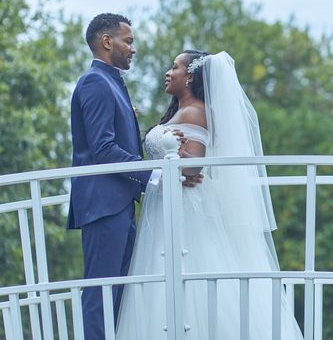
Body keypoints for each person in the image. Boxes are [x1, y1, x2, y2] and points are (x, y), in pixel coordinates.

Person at [116, 50, 304, 339]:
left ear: (189, 76)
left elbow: (193, 167)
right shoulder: (180, 112)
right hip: (165, 204)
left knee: (188, 273)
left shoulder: (196, 111)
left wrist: (176, 160)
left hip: (186, 208)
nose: (168, 72)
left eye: (174, 67)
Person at [67, 14, 198, 340]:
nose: (133, 48)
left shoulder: (111, 82)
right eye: (128, 41)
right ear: (107, 41)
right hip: (103, 204)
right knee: (101, 291)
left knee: (119, 293)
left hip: (119, 203)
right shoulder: (96, 82)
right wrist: (158, 172)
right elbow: (104, 149)